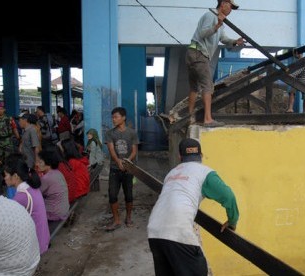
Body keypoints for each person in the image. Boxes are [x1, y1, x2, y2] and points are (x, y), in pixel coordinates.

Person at [147, 138, 239, 275]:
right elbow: (228, 197)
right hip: (178, 231)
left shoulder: (171, 174)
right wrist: (232, 222)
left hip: (154, 231)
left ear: (180, 156)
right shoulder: (205, 173)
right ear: (201, 156)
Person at [187, 0, 245, 127]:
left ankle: (189, 117)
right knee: (208, 85)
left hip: (194, 53)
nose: (230, 10)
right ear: (223, 3)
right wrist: (217, 25)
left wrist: (235, 41)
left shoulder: (220, 22)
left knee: (194, 87)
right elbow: (202, 33)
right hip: (198, 52)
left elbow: (223, 39)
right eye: (230, 6)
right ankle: (207, 119)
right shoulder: (210, 15)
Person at [4, 153, 50, 255]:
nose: (5, 178)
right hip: (43, 238)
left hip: (36, 245)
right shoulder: (31, 187)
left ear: (15, 176)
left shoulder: (21, 196)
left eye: (6, 175)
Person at [104, 107, 139, 231]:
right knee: (112, 195)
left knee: (128, 195)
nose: (113, 119)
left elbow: (134, 150)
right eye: (112, 117)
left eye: (116, 117)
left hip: (128, 168)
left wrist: (127, 161)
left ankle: (128, 217)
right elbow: (111, 149)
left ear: (123, 117)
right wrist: (118, 161)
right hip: (115, 168)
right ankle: (116, 220)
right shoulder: (110, 133)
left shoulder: (132, 133)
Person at [37, 147, 70, 232]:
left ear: (48, 163)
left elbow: (36, 194)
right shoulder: (57, 172)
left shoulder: (47, 178)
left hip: (55, 213)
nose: (38, 164)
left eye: (40, 162)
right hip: (64, 209)